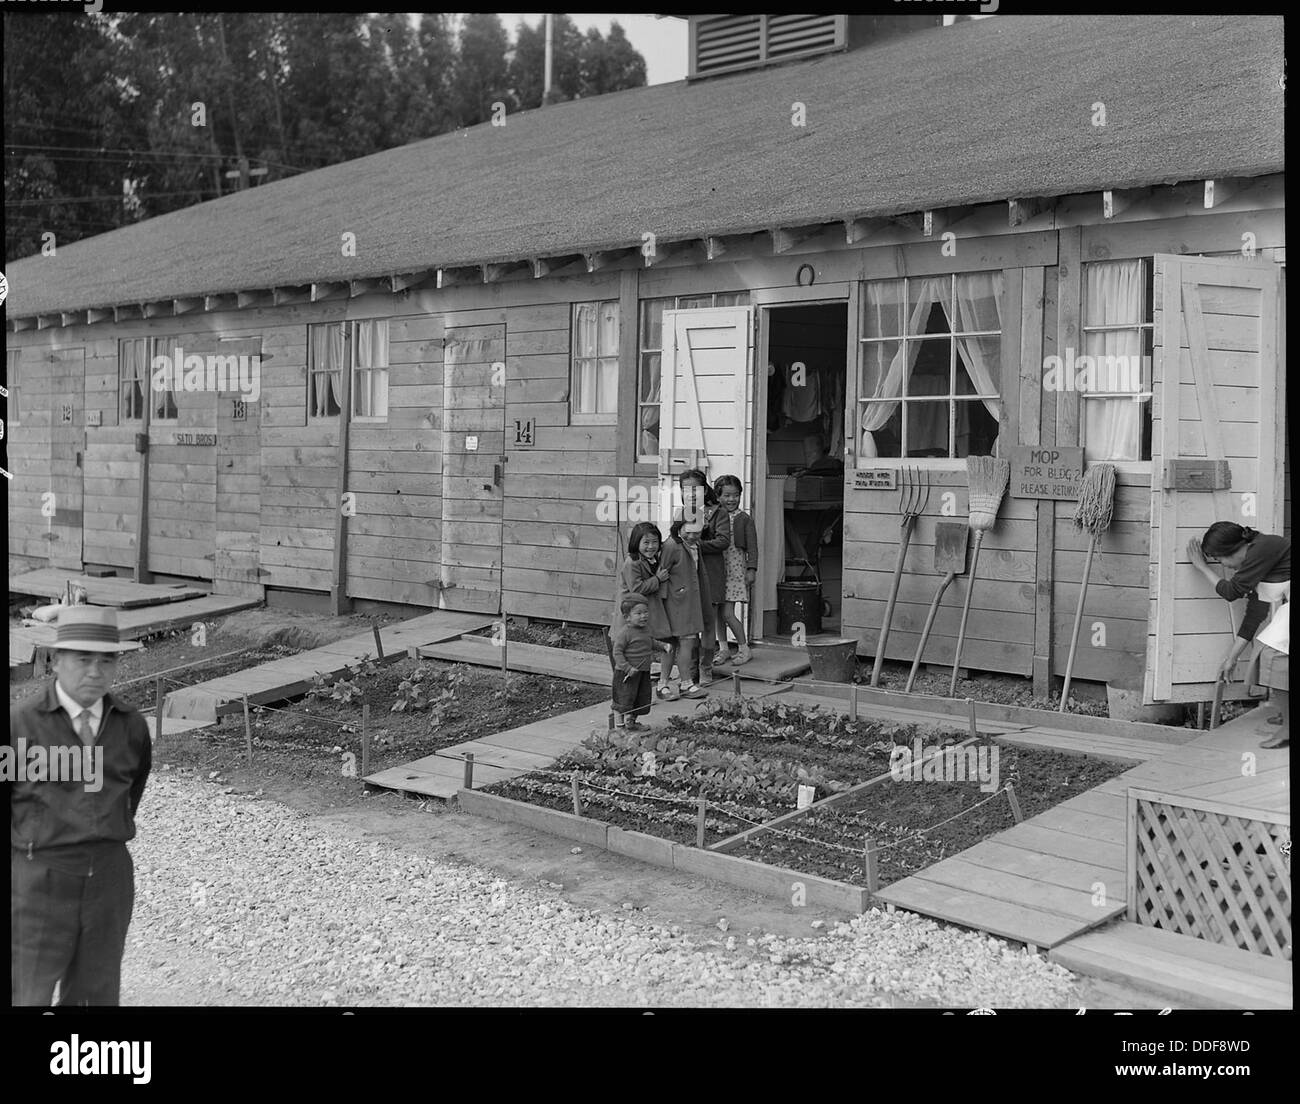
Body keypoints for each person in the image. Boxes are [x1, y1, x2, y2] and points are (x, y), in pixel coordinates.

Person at [11, 606, 151, 1006]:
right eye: (83, 659)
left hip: (109, 878)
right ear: (56, 661)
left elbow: (132, 790)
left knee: (97, 992)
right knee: (28, 990)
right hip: (39, 878)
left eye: (106, 660)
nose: (95, 671)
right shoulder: (20, 725)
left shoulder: (131, 726)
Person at [1187, 522, 1290, 748]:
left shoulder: (1261, 549)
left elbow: (1231, 592)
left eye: (1219, 559)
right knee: (1271, 651)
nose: (1222, 565)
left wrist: (1202, 567)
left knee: (1274, 654)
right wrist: (1231, 659)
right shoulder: (1257, 566)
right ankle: (1287, 714)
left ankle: (1288, 730)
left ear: (1232, 549)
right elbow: (1254, 616)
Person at [677, 469, 720, 688]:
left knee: (708, 623)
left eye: (696, 489)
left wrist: (697, 543)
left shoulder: (714, 513)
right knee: (689, 624)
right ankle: (689, 669)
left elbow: (723, 542)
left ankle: (706, 668)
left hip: (709, 574)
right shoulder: (680, 513)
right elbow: (673, 543)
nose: (692, 494)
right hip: (687, 576)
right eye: (686, 490)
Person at [659, 513, 709, 700]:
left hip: (688, 602)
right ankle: (664, 683)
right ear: (679, 528)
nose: (692, 536)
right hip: (674, 602)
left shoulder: (695, 546)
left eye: (697, 532)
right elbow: (662, 573)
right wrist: (661, 604)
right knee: (671, 643)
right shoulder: (672, 546)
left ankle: (685, 682)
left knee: (687, 641)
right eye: (688, 532)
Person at [711, 474, 758, 667]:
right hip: (716, 569)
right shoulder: (713, 515)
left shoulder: (744, 519)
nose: (731, 499)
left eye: (735, 495)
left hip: (735, 569)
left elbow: (753, 547)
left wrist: (751, 568)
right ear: (718, 496)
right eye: (727, 495)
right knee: (717, 613)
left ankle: (744, 648)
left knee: (728, 613)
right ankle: (723, 648)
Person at [611, 595, 655, 730]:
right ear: (627, 617)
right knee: (623, 700)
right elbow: (617, 652)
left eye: (645, 612)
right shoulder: (625, 633)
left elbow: (650, 642)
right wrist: (627, 668)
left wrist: (663, 646)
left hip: (643, 671)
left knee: (640, 698)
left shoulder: (646, 630)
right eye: (639, 613)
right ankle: (619, 727)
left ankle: (632, 722)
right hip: (627, 674)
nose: (643, 616)